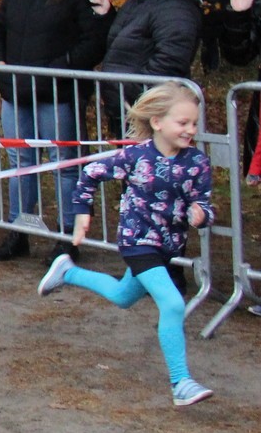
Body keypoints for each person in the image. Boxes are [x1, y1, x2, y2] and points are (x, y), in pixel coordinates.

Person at [38, 82, 216, 407]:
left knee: (123, 296)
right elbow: (91, 173)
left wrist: (202, 215)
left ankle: (68, 272)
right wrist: (82, 213)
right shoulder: (136, 156)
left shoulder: (198, 163)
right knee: (173, 304)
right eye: (183, 122)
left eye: (194, 123)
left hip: (170, 245)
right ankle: (181, 382)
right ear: (157, 122)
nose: (190, 130)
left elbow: (204, 203)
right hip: (137, 241)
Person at [0, 0, 108, 260]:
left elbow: (93, 41)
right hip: (16, 91)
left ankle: (68, 236)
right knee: (20, 161)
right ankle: (19, 230)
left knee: (64, 163)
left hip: (57, 94)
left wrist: (58, 68)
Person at [93, 0, 203, 130]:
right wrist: (106, 15)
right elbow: (127, 42)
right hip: (130, 111)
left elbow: (171, 60)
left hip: (150, 115)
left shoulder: (176, 6)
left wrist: (135, 95)